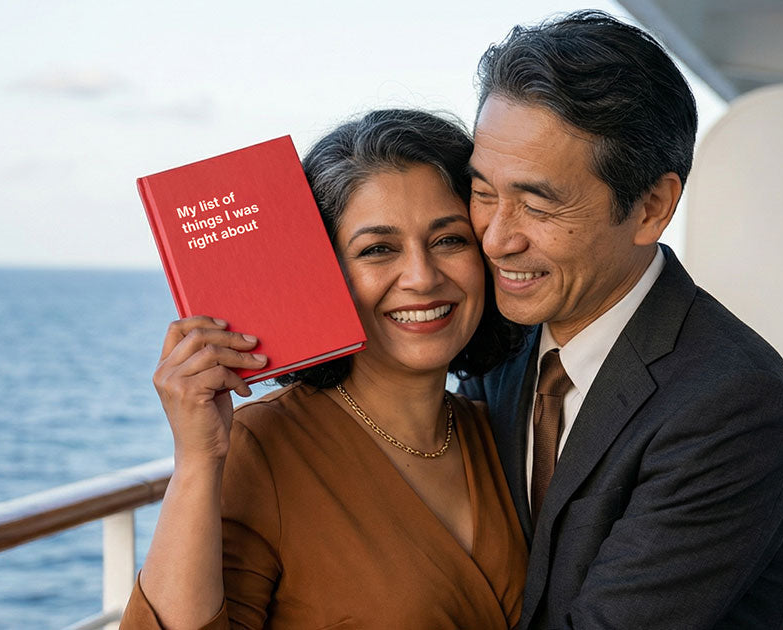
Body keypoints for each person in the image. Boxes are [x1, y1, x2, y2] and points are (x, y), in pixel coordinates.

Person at [459, 11, 783, 629]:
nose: (494, 238)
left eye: (537, 204)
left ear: (651, 207)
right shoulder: (500, 343)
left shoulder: (729, 401)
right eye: (484, 192)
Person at [120, 109, 529, 629]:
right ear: (323, 272)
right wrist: (198, 460)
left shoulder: (495, 431)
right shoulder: (261, 445)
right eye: (378, 249)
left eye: (449, 240)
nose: (422, 278)